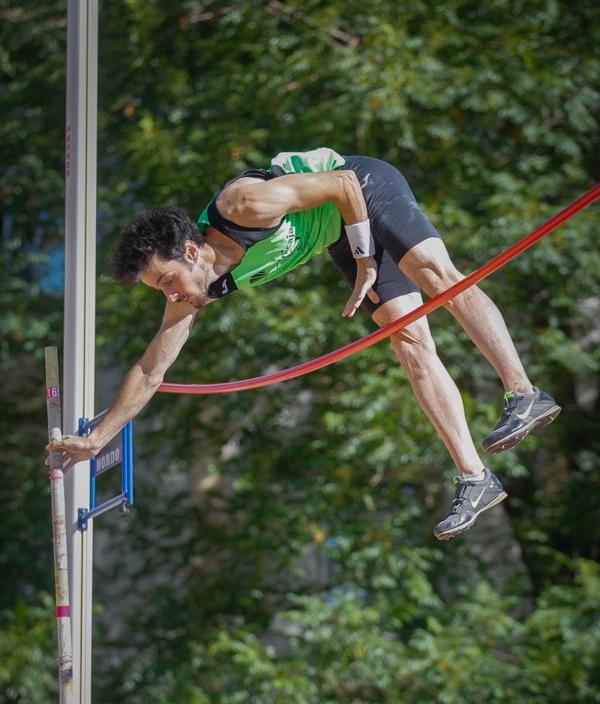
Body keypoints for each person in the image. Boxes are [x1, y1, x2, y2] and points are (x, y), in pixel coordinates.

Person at [47, 147, 561, 540]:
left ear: (189, 250)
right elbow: (150, 370)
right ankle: (475, 478)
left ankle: (523, 391)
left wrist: (365, 258)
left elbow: (340, 184)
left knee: (437, 278)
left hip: (363, 188)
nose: (171, 296)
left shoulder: (242, 205)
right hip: (339, 231)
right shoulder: (197, 290)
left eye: (167, 282)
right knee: (410, 344)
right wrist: (98, 438)